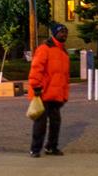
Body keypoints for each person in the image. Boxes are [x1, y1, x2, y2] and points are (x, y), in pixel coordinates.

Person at [27, 23, 71, 157]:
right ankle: (35, 149)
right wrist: (36, 87)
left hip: (56, 94)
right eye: (61, 32)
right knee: (40, 124)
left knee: (55, 122)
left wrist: (64, 94)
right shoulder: (44, 49)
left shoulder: (63, 52)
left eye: (65, 32)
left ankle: (51, 147)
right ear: (54, 33)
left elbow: (64, 76)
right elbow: (36, 68)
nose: (64, 34)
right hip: (43, 92)